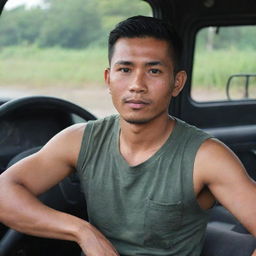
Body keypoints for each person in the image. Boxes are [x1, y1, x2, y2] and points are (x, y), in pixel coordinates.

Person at [0, 15, 255, 256]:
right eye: (125, 69)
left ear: (177, 83)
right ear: (108, 78)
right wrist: (82, 231)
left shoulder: (206, 157)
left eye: (154, 71)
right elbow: (4, 191)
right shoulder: (79, 141)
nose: (137, 85)